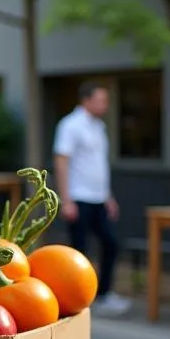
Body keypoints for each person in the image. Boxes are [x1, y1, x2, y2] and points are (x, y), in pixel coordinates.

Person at [52, 81, 131, 315]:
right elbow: (61, 160)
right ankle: (77, 298)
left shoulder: (99, 127)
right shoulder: (70, 125)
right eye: (101, 100)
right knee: (80, 251)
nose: (105, 104)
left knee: (110, 243)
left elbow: (99, 166)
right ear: (86, 100)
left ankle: (105, 293)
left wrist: (109, 197)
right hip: (79, 198)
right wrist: (66, 200)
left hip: (99, 198)